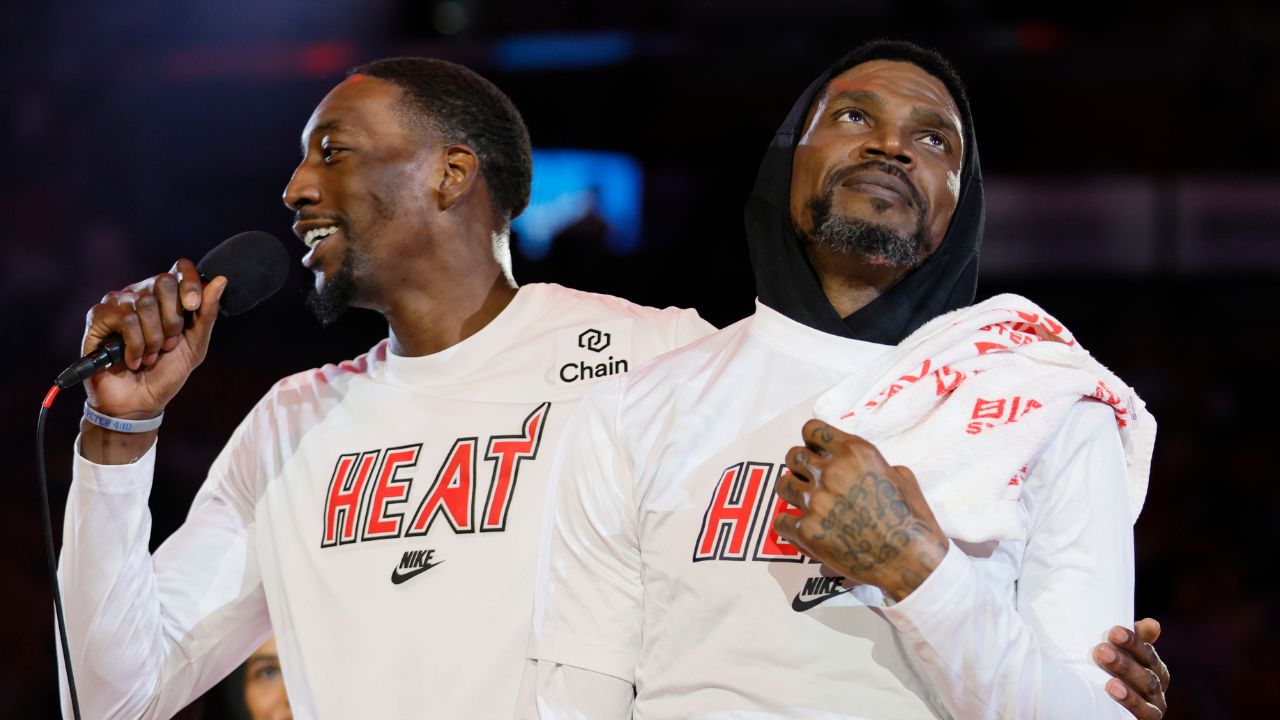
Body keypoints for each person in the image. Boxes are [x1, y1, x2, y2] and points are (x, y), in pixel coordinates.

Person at [525, 40, 1170, 719]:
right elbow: (580, 694)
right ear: (788, 158)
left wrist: (915, 567)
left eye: (932, 138)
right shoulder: (632, 408)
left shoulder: (1051, 404)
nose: (891, 146)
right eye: (855, 118)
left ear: (964, 202)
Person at [56, 58, 713, 718]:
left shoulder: (653, 358)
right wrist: (118, 434)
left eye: (332, 151)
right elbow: (110, 701)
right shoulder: (290, 423)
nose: (294, 189)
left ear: (449, 174)